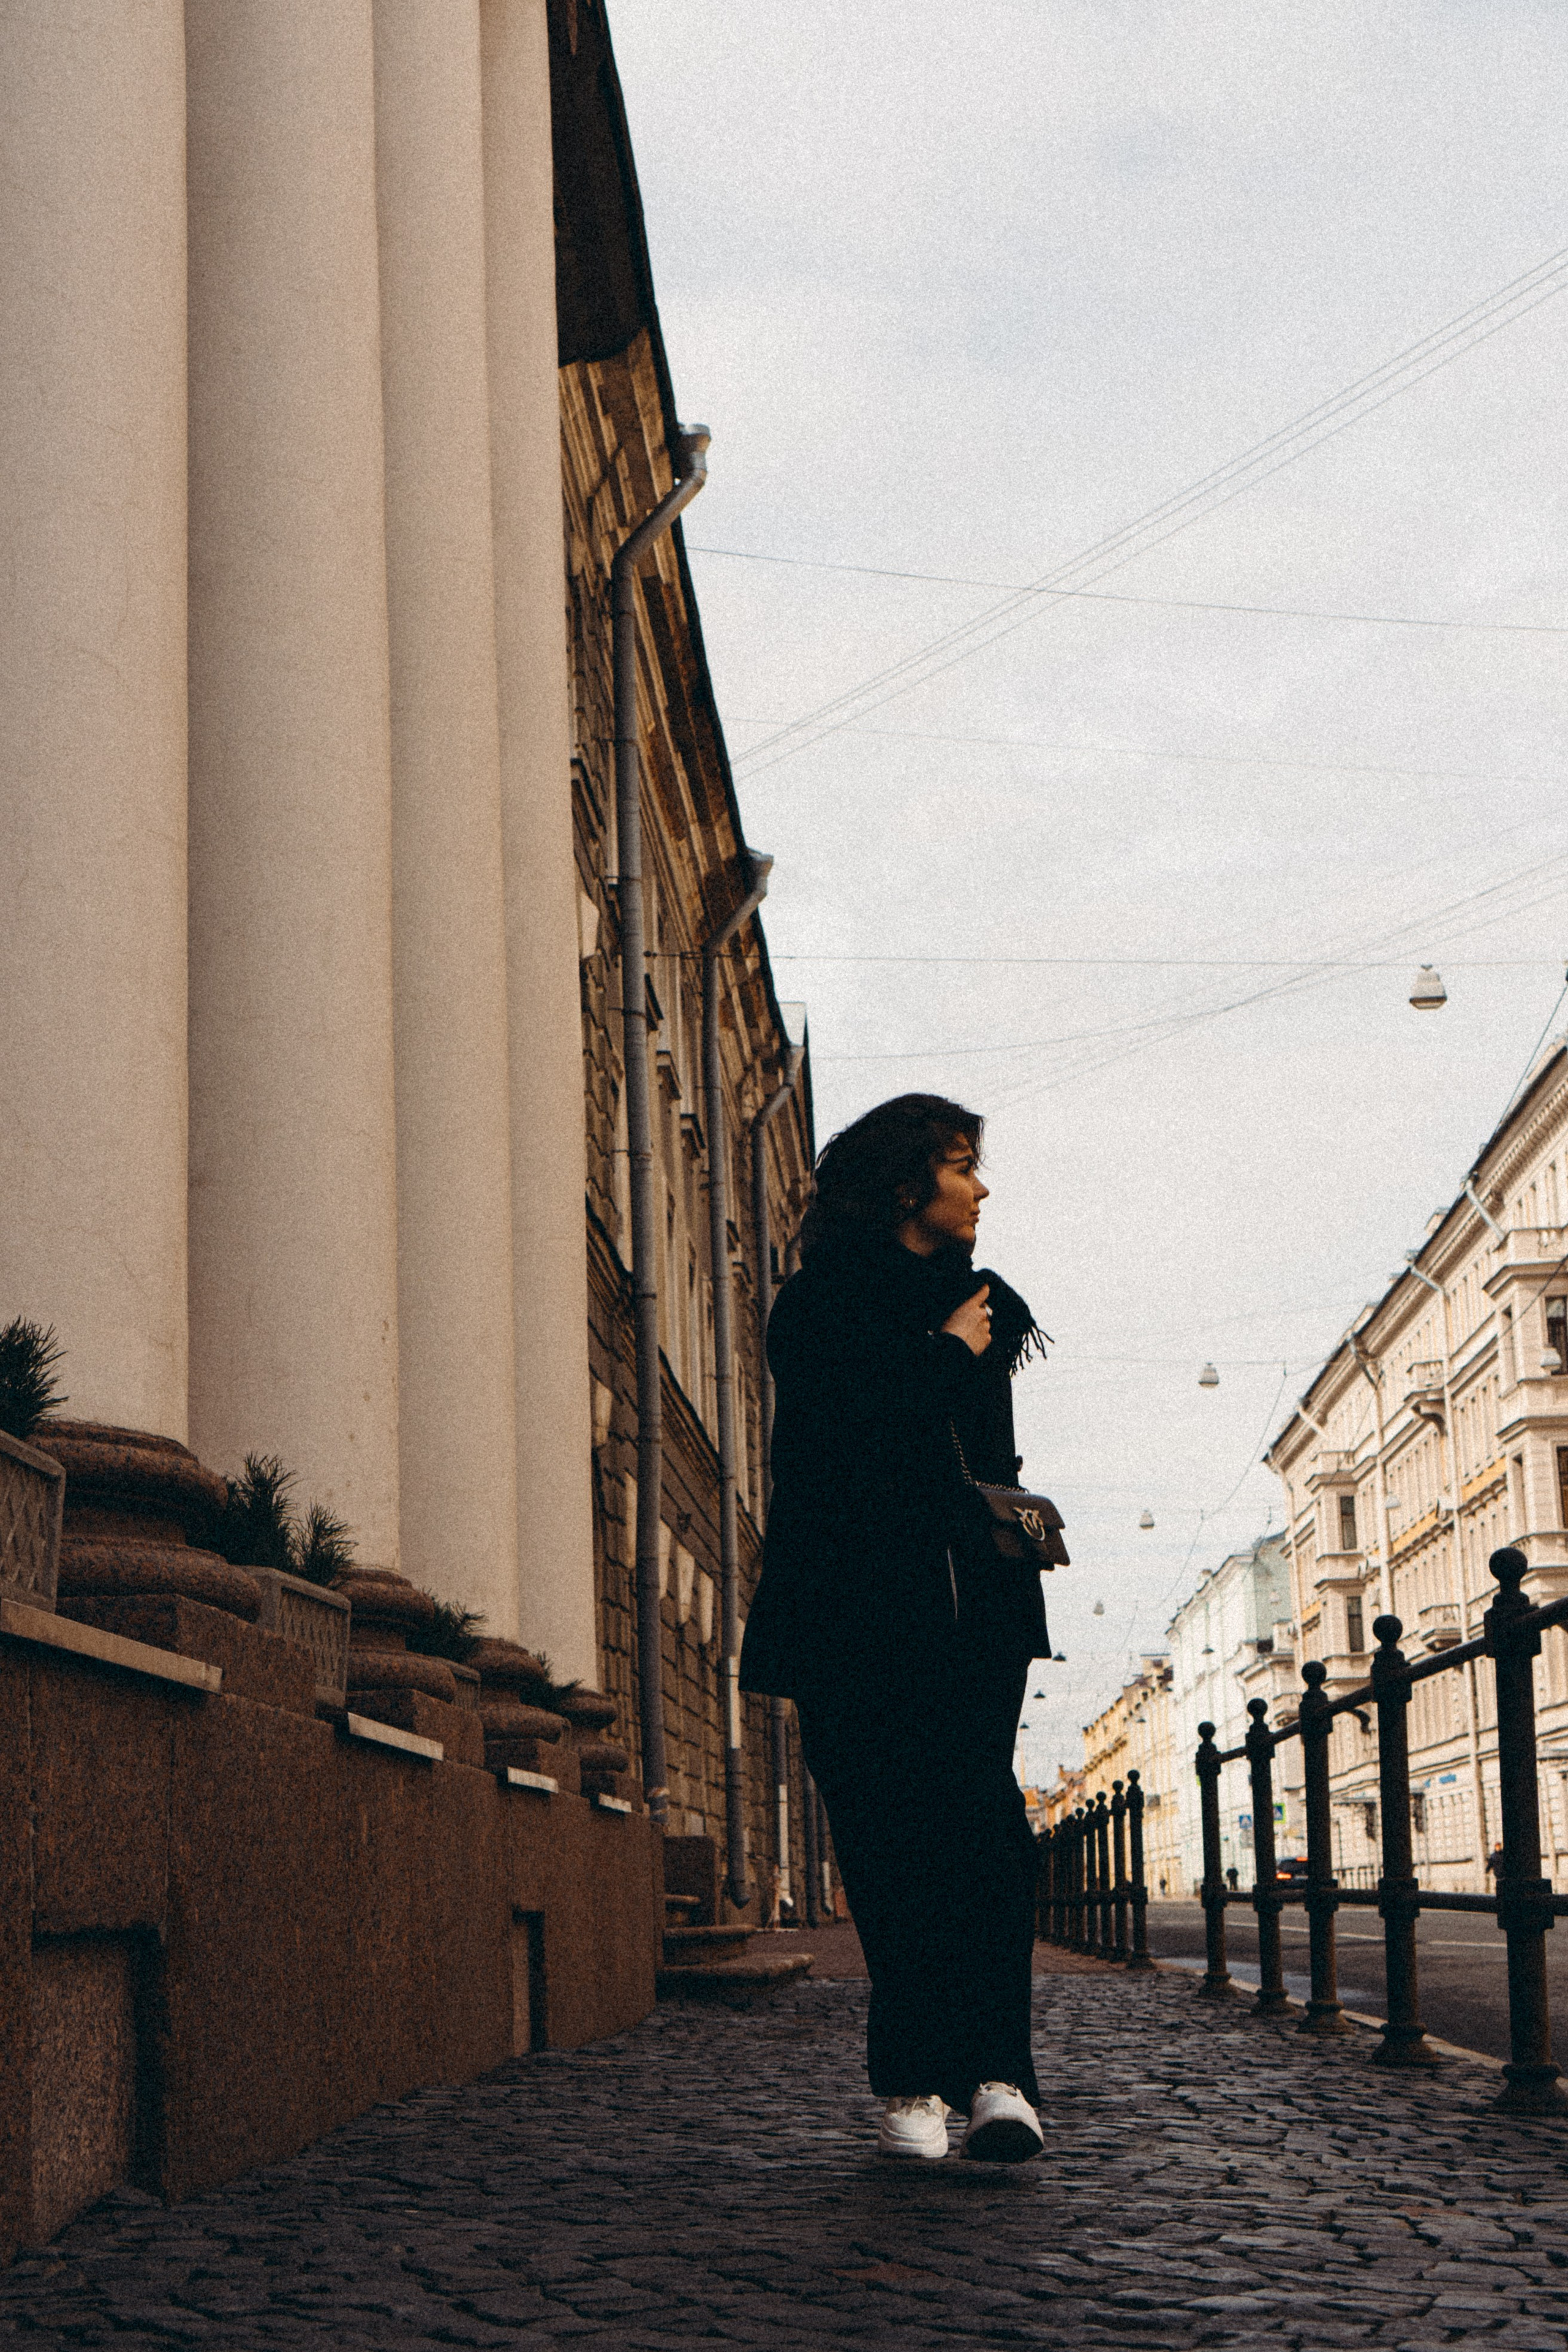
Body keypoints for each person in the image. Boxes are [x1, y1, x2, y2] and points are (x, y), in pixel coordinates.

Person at [740, 1093, 1053, 2163]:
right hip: (850, 1612)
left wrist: (960, 1354)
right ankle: (912, 2083)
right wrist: (941, 1360)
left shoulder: (985, 1303)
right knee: (887, 1847)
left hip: (969, 1609)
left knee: (985, 1837)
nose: (980, 1186)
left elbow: (972, 1467)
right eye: (962, 1165)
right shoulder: (816, 1303)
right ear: (906, 1182)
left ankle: (1001, 2078)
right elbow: (835, 1448)